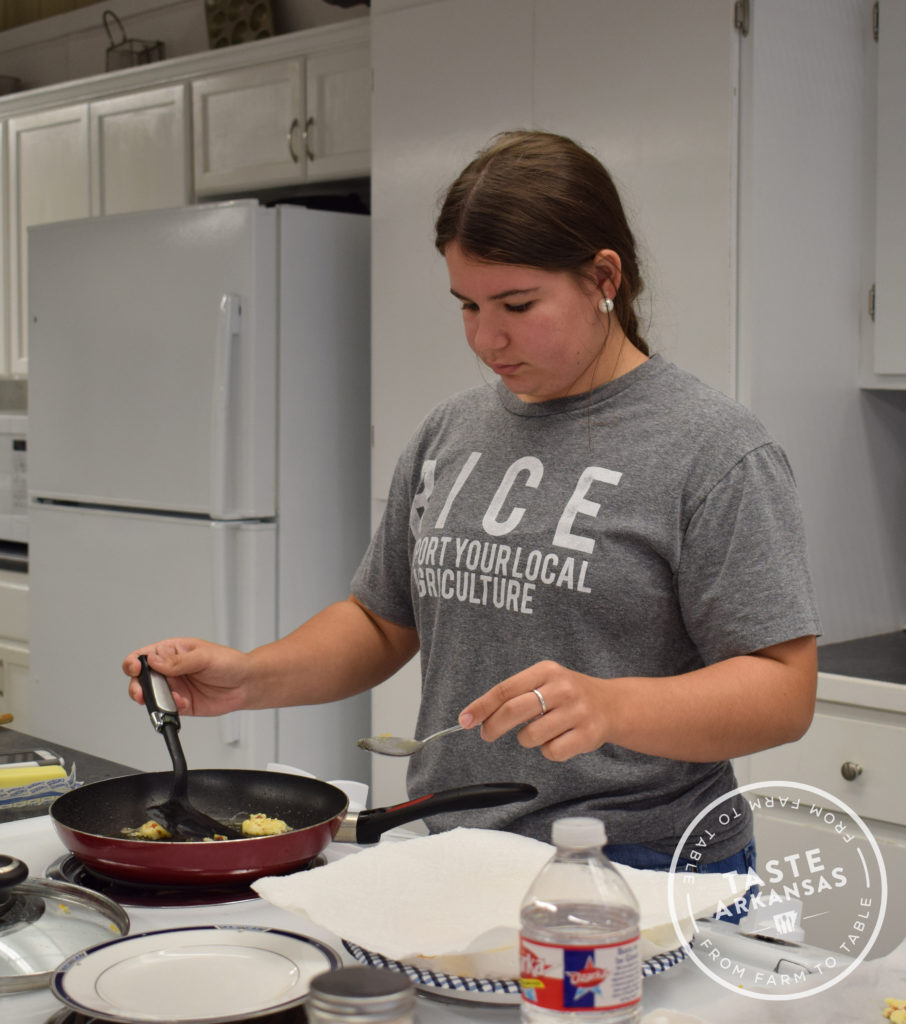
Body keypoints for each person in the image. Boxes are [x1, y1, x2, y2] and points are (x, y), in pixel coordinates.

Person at [124, 130, 820, 885]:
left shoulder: (713, 449)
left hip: (640, 865)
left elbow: (782, 689)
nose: (488, 338)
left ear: (603, 277)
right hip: (450, 845)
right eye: (468, 305)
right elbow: (381, 620)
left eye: (518, 304)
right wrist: (251, 677)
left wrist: (613, 707)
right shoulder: (451, 431)